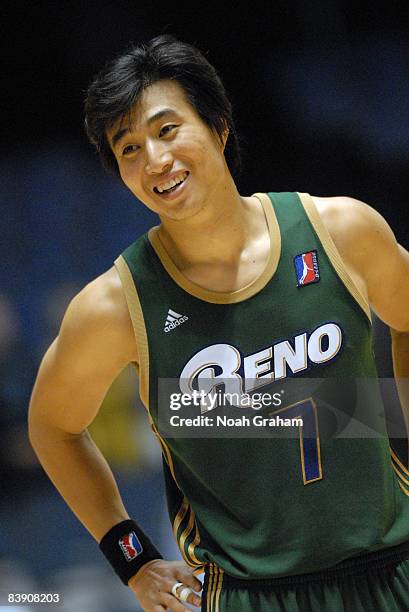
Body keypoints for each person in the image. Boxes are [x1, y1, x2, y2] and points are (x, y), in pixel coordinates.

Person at [28, 34, 409, 611]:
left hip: (393, 568)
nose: (155, 160)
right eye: (128, 149)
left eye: (166, 129)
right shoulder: (114, 306)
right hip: (247, 594)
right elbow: (53, 428)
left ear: (219, 126)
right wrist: (133, 559)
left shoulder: (341, 231)